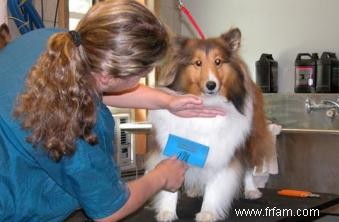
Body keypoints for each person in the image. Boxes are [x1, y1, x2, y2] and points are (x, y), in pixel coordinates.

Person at [0, 0, 224, 221]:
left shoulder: (53, 42)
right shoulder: (77, 129)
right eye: (142, 74)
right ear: (109, 75)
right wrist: (161, 176)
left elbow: (98, 85)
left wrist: (168, 101)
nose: (141, 79)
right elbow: (109, 210)